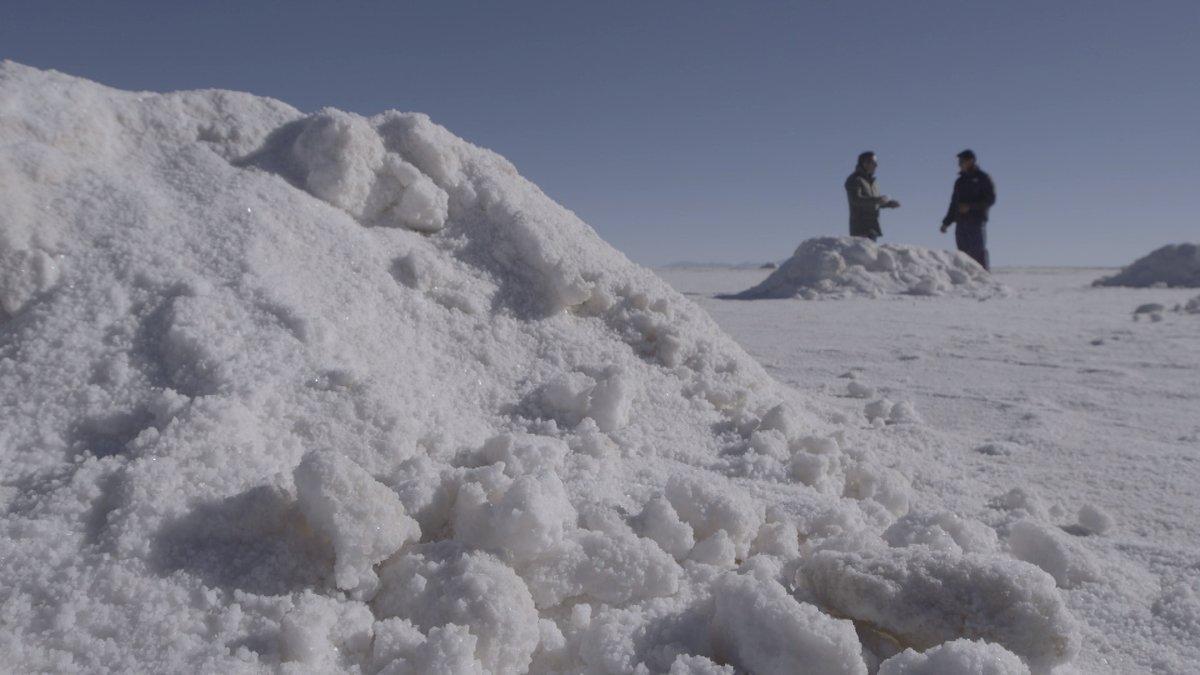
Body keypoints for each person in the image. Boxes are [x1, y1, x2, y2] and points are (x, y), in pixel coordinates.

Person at [940, 149, 996, 270]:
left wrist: (970, 207)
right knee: (962, 256)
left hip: (976, 222)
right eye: (959, 161)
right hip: (961, 223)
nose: (959, 163)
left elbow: (990, 199)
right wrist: (946, 222)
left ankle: (985, 282)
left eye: (962, 160)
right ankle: (967, 285)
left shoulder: (983, 178)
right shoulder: (959, 182)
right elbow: (954, 203)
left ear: (971, 161)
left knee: (978, 254)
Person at [844, 151, 900, 241]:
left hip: (873, 228)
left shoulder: (872, 182)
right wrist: (878, 200)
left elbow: (873, 203)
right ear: (865, 163)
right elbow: (855, 200)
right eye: (874, 163)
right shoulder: (855, 179)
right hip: (860, 229)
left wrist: (888, 204)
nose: (876, 165)